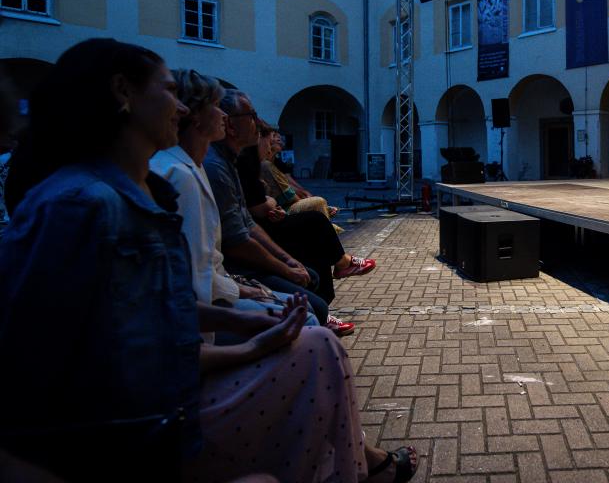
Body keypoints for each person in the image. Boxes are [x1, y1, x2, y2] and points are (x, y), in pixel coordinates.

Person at [0, 38, 417, 483]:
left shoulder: (137, 188)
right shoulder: (82, 205)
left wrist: (250, 322)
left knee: (316, 344)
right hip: (143, 425)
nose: (180, 108)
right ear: (123, 92)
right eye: (168, 91)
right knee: (317, 351)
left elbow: (161, 306)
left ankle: (351, 466)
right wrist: (249, 341)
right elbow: (91, 363)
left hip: (162, 400)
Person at [150, 70, 321, 337]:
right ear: (194, 117)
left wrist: (284, 262)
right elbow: (200, 275)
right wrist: (248, 291)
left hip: (219, 288)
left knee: (306, 304)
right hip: (205, 308)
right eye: (214, 106)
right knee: (307, 319)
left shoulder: (200, 166)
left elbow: (240, 228)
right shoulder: (185, 173)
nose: (222, 115)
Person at [205, 90, 372, 337]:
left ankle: (337, 271)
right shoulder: (220, 167)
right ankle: (337, 274)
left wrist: (287, 261)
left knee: (314, 232)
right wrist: (284, 267)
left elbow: (249, 221)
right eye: (252, 116)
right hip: (236, 265)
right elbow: (241, 233)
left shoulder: (231, 163)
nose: (258, 124)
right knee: (314, 224)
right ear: (230, 125)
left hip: (258, 235)